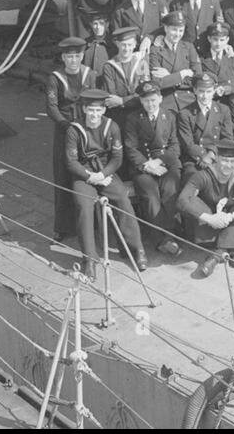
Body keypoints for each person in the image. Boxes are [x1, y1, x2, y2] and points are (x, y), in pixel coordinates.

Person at [64, 89, 148, 276]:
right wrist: (89, 177)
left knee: (122, 199)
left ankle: (136, 249)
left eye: (98, 110)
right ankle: (89, 259)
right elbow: (71, 162)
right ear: (84, 109)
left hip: (105, 171)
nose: (94, 115)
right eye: (90, 110)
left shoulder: (112, 126)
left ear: (103, 110)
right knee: (84, 207)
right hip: (83, 173)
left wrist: (102, 175)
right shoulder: (74, 129)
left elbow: (117, 158)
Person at [178, 139, 234, 276]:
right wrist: (209, 218)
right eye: (224, 160)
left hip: (228, 223)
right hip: (208, 228)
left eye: (233, 161)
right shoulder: (203, 175)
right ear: (216, 158)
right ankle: (232, 250)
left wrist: (230, 217)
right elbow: (182, 200)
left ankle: (216, 255)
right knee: (192, 200)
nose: (228, 166)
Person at [122, 81, 184, 258]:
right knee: (150, 195)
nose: (150, 104)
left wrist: (159, 162)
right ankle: (161, 239)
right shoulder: (133, 118)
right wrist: (147, 166)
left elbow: (174, 146)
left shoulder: (169, 116)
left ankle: (170, 234)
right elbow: (131, 148)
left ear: (160, 98)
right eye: (146, 101)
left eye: (153, 100)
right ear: (141, 101)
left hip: (165, 163)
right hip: (142, 165)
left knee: (170, 190)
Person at [45, 37, 96, 242]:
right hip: (65, 130)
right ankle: (63, 226)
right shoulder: (55, 78)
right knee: (63, 176)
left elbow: (96, 101)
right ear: (63, 57)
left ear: (82, 56)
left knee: (88, 174)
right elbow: (51, 107)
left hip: (88, 132)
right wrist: (67, 126)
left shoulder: (90, 75)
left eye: (77, 56)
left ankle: (93, 225)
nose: (73, 60)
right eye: (69, 56)